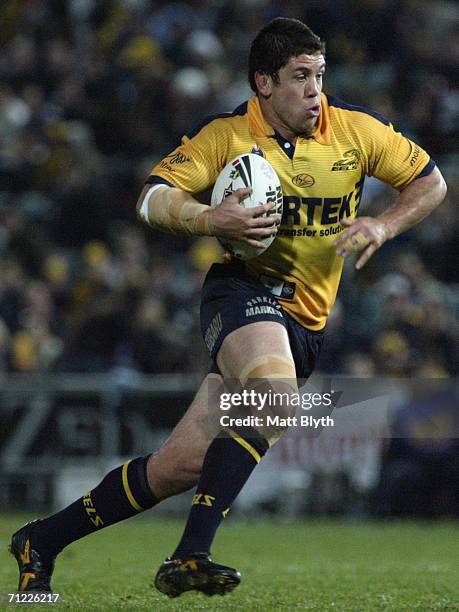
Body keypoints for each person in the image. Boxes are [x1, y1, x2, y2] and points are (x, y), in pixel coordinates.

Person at [11, 17, 446, 598]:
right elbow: (151, 198)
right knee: (275, 400)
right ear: (264, 83)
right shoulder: (225, 136)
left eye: (319, 74)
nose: (315, 90)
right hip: (241, 294)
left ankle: (41, 540)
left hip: (306, 323)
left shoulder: (356, 131)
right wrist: (207, 218)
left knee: (178, 467)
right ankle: (191, 555)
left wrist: (384, 225)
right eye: (300, 77)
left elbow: (431, 182)